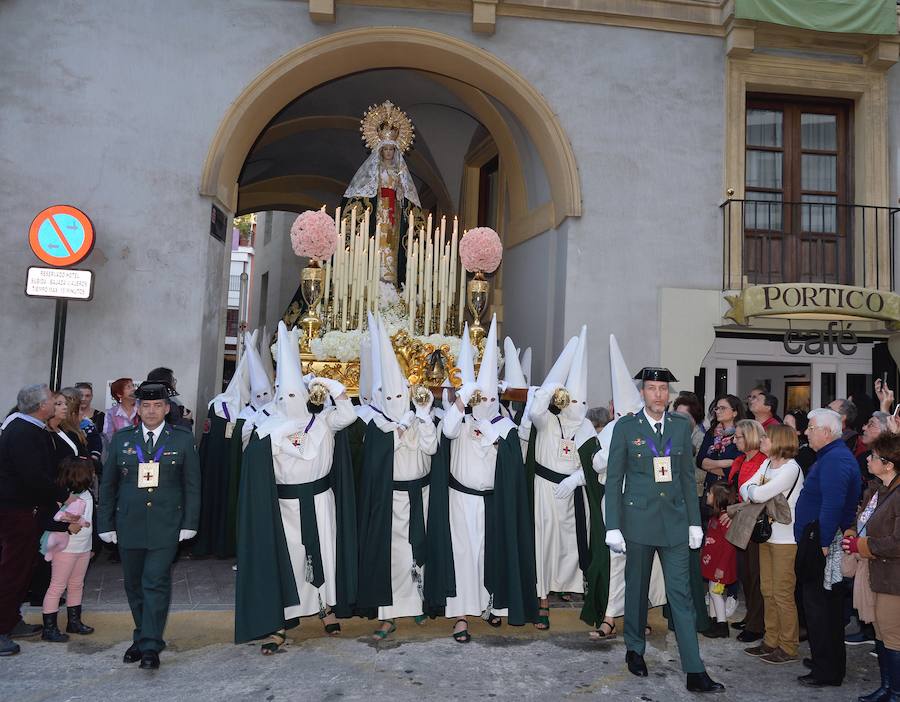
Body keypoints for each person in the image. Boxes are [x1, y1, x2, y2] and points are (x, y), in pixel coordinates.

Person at [234, 322, 358, 653]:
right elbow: (252, 458)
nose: (291, 400)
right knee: (290, 558)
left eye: (296, 394)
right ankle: (283, 619)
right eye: (286, 394)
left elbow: (348, 415)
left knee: (325, 553)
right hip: (285, 504)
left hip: (320, 500)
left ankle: (326, 607)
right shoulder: (266, 427)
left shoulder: (323, 420)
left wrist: (334, 387)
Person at [605, 367, 724, 693]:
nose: (658, 394)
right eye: (652, 388)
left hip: (674, 524)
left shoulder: (679, 427)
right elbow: (614, 480)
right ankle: (634, 648)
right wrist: (612, 525)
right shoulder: (627, 428)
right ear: (643, 393)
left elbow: (687, 477)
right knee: (637, 588)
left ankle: (695, 670)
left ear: (668, 394)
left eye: (663, 389)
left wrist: (693, 523)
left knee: (682, 596)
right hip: (638, 523)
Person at [432, 315, 538, 642]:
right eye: (482, 397)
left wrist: (496, 432)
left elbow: (513, 462)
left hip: (492, 501)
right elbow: (446, 432)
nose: (485, 403)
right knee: (463, 554)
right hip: (460, 499)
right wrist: (462, 402)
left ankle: (490, 604)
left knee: (488, 553)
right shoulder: (459, 420)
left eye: (490, 397)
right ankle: (461, 615)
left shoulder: (504, 428)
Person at [98, 380, 201, 670]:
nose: (152, 411)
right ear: (138, 409)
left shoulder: (181, 439)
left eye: (158, 406)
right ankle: (143, 635)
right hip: (128, 523)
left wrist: (189, 522)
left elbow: (193, 485)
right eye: (146, 405)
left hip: (166, 524)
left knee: (154, 582)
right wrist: (105, 523)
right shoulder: (123, 440)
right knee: (133, 585)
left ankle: (150, 646)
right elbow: (108, 486)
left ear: (167, 409)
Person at [356, 314, 438, 639]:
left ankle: (417, 604)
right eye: (388, 399)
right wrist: (396, 432)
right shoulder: (378, 429)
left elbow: (431, 449)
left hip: (421, 495)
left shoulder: (419, 419)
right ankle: (388, 614)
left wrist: (423, 417)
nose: (394, 403)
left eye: (398, 397)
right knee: (392, 554)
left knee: (418, 549)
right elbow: (376, 464)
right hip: (390, 500)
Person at [587, 334, 666, 641]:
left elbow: (662, 470)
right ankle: (609, 617)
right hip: (617, 505)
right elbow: (597, 465)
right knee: (617, 560)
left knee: (643, 561)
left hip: (645, 506)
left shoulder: (655, 432)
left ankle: (638, 614)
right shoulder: (611, 431)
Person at [525, 326, 602, 631]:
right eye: (574, 402)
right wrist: (552, 387)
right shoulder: (548, 421)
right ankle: (542, 600)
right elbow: (534, 411)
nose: (579, 409)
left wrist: (577, 480)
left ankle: (570, 588)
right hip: (544, 489)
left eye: (584, 403)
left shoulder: (585, 427)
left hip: (572, 493)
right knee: (544, 544)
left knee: (571, 545)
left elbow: (596, 463)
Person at [0, 384, 71, 657]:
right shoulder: (23, 432)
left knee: (21, 568)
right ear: (42, 406)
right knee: (12, 569)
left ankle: (11, 618)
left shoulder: (27, 428)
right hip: (16, 511)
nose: (56, 402)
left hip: (23, 509)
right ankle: (2, 628)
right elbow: (32, 476)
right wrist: (62, 496)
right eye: (53, 399)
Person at [793, 407, 861, 688]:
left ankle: (827, 670)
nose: (806, 432)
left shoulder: (835, 459)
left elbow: (834, 503)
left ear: (826, 431)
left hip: (821, 542)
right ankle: (824, 660)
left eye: (810, 428)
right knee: (819, 607)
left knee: (822, 609)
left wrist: (821, 543)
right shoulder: (832, 456)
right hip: (819, 538)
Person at [842, 432, 900, 702]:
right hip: (874, 574)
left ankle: (896, 692)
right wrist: (853, 532)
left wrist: (861, 546)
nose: (868, 459)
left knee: (892, 635)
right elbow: (864, 518)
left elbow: (897, 543)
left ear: (888, 464)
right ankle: (886, 687)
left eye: (874, 456)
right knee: (879, 631)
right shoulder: (877, 489)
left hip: (892, 578)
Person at [740, 424, 804, 664]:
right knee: (767, 590)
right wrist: (755, 490)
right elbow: (745, 487)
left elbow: (755, 494)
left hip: (786, 540)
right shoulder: (767, 464)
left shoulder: (790, 469)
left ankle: (788, 646)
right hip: (767, 536)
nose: (762, 440)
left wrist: (755, 490)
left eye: (766, 437)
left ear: (778, 441)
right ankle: (770, 640)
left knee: (782, 593)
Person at [40, 456, 95, 642]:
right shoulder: (60, 496)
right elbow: (46, 520)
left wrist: (93, 546)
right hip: (65, 549)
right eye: (90, 471)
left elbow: (91, 521)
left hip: (83, 548)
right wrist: (66, 527)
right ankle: (49, 628)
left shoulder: (88, 493)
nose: (93, 474)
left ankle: (74, 622)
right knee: (57, 586)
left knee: (77, 584)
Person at [730, 418, 767, 643]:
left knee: (755, 575)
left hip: (755, 522)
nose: (734, 440)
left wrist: (733, 510)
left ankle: (757, 624)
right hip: (743, 520)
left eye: (738, 437)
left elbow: (758, 497)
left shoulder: (763, 461)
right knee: (745, 573)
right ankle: (751, 616)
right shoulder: (744, 460)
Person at [700, 481, 738, 639]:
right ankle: (713, 621)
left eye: (710, 493)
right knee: (712, 592)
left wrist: (721, 567)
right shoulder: (715, 516)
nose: (707, 495)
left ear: (718, 498)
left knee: (716, 594)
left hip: (719, 566)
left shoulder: (724, 520)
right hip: (712, 563)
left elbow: (730, 545)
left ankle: (722, 626)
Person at [697, 394, 744, 494]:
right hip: (711, 489)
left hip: (730, 492)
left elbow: (737, 468)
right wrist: (723, 463)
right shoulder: (712, 432)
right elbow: (700, 461)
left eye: (722, 408)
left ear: (735, 412)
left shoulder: (742, 434)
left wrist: (709, 465)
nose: (718, 411)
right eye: (717, 408)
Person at [103, 378, 138, 443]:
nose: (133, 389)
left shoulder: (142, 407)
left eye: (133, 386)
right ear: (119, 394)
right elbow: (108, 436)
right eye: (128, 387)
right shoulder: (111, 413)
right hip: (120, 449)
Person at [784, 410, 817, 475]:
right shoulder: (781, 446)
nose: (781, 427)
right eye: (782, 423)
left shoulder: (805, 454)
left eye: (786, 425)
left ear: (798, 432)